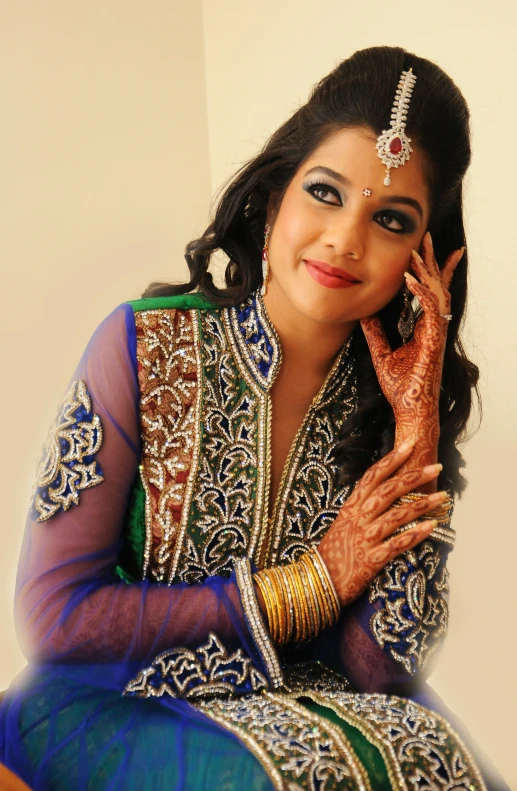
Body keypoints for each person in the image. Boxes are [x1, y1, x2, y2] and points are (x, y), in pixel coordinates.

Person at [0, 45, 509, 790]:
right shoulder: (145, 345)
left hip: (318, 703)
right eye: (326, 193)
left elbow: (376, 669)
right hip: (115, 695)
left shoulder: (393, 402)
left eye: (390, 218)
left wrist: (414, 435)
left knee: (440, 759)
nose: (344, 238)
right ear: (275, 199)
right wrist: (309, 583)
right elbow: (54, 616)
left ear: (422, 258)